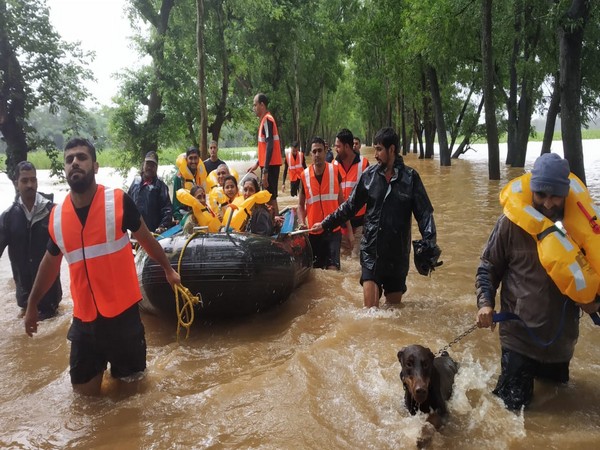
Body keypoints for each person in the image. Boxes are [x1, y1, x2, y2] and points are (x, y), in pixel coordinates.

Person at [24, 138, 181, 396]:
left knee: (131, 401)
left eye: (81, 157)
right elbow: (50, 264)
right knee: (84, 403)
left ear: (95, 166)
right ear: (65, 169)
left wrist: (167, 269)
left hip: (124, 321)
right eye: (69, 159)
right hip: (84, 323)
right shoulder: (57, 217)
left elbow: (146, 239)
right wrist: (32, 305)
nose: (75, 162)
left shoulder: (117, 201)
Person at [476, 152, 600, 411]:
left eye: (555, 196)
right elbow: (487, 267)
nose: (547, 203)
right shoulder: (510, 224)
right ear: (531, 191)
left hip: (561, 344)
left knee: (558, 409)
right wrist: (485, 303)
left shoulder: (583, 229)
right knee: (511, 414)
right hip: (519, 339)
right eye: (541, 195)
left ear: (565, 194)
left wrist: (595, 303)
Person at [311, 127, 439, 308]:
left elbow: (425, 215)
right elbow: (349, 207)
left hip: (397, 257)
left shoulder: (411, 179)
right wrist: (325, 224)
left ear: (392, 150)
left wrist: (429, 242)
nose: (375, 155)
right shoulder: (368, 177)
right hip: (371, 253)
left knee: (393, 315)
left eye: (379, 149)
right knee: (370, 315)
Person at [0, 161, 62, 320]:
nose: (30, 184)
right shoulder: (8, 218)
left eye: (33, 180)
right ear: (16, 184)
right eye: (25, 180)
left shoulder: (53, 212)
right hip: (24, 298)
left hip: (51, 299)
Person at [298, 137, 344, 270]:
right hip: (313, 232)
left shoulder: (335, 171)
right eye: (314, 152)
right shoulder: (304, 176)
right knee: (316, 272)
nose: (317, 154)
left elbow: (342, 203)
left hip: (333, 230)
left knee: (332, 272)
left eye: (320, 151)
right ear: (311, 154)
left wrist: (349, 231)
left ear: (325, 151)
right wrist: (302, 223)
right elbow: (300, 205)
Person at [333, 128, 370, 254]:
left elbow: (371, 196)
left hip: (360, 223)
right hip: (341, 223)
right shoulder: (333, 166)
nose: (335, 149)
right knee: (343, 264)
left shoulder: (364, 164)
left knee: (356, 262)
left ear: (347, 146)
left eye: (338, 146)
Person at [247, 93, 282, 215]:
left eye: (255, 105)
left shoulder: (267, 120)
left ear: (262, 105)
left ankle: (276, 222)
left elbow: (270, 144)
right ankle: (274, 221)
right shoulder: (265, 120)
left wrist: (265, 170)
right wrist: (257, 164)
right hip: (268, 165)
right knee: (268, 197)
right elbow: (265, 147)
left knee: (270, 197)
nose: (254, 108)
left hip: (270, 166)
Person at [127, 151, 173, 234]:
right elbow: (127, 205)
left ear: (156, 167)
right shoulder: (135, 183)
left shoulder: (161, 186)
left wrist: (162, 226)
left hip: (152, 233)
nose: (149, 167)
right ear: (143, 165)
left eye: (153, 165)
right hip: (135, 232)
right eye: (147, 164)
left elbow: (167, 210)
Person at [172, 146, 207, 223]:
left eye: (195, 158)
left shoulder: (201, 174)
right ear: (186, 159)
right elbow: (176, 202)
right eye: (191, 158)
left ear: (199, 159)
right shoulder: (179, 178)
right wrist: (177, 218)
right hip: (184, 214)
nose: (193, 161)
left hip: (199, 212)